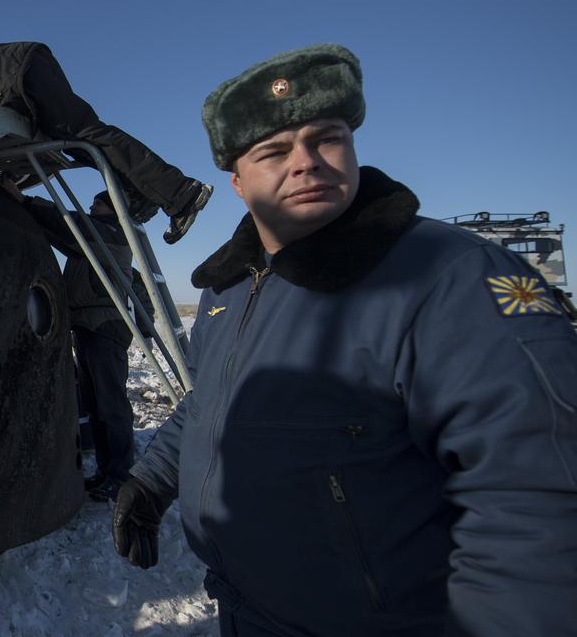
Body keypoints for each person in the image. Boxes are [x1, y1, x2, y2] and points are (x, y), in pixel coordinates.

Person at [110, 44, 577, 636]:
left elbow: (536, 505)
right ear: (236, 181)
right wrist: (152, 482)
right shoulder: (228, 291)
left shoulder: (446, 278)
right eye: (275, 151)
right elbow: (208, 404)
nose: (305, 163)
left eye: (326, 138)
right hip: (247, 608)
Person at [0, 42, 212, 244]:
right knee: (78, 143)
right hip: (26, 66)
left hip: (17, 75)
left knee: (86, 135)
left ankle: (181, 194)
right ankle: (144, 192)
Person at [14, 188, 155, 501]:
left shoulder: (111, 234)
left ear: (115, 209)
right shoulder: (88, 241)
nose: (91, 206)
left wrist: (26, 202)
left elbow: (67, 224)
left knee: (112, 407)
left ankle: (119, 476)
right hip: (88, 328)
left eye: (98, 203)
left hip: (105, 329)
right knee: (96, 407)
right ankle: (106, 473)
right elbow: (62, 234)